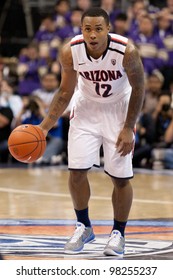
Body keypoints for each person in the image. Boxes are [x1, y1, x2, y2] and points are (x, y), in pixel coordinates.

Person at [38, 7, 145, 257]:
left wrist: (129, 127)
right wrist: (44, 127)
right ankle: (83, 226)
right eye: (87, 29)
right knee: (76, 171)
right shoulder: (70, 51)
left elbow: (139, 88)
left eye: (98, 29)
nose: (93, 34)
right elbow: (65, 92)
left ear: (108, 29)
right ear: (81, 30)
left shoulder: (126, 51)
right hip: (86, 109)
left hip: (119, 111)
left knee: (120, 178)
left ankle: (118, 233)